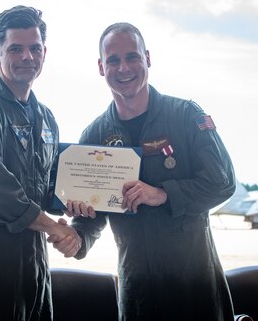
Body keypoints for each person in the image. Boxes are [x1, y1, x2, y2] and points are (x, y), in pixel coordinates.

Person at [62, 22, 236, 320]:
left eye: (132, 57)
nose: (124, 67)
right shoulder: (94, 135)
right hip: (138, 292)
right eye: (113, 60)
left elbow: (223, 182)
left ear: (148, 59)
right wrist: (77, 237)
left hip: (194, 287)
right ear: (101, 67)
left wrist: (163, 194)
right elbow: (93, 214)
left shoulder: (186, 116)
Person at [0, 5, 81, 321]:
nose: (27, 57)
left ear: (44, 53)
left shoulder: (46, 118)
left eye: (35, 48)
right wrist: (52, 227)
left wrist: (76, 202)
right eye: (16, 49)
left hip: (33, 250)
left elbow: (49, 186)